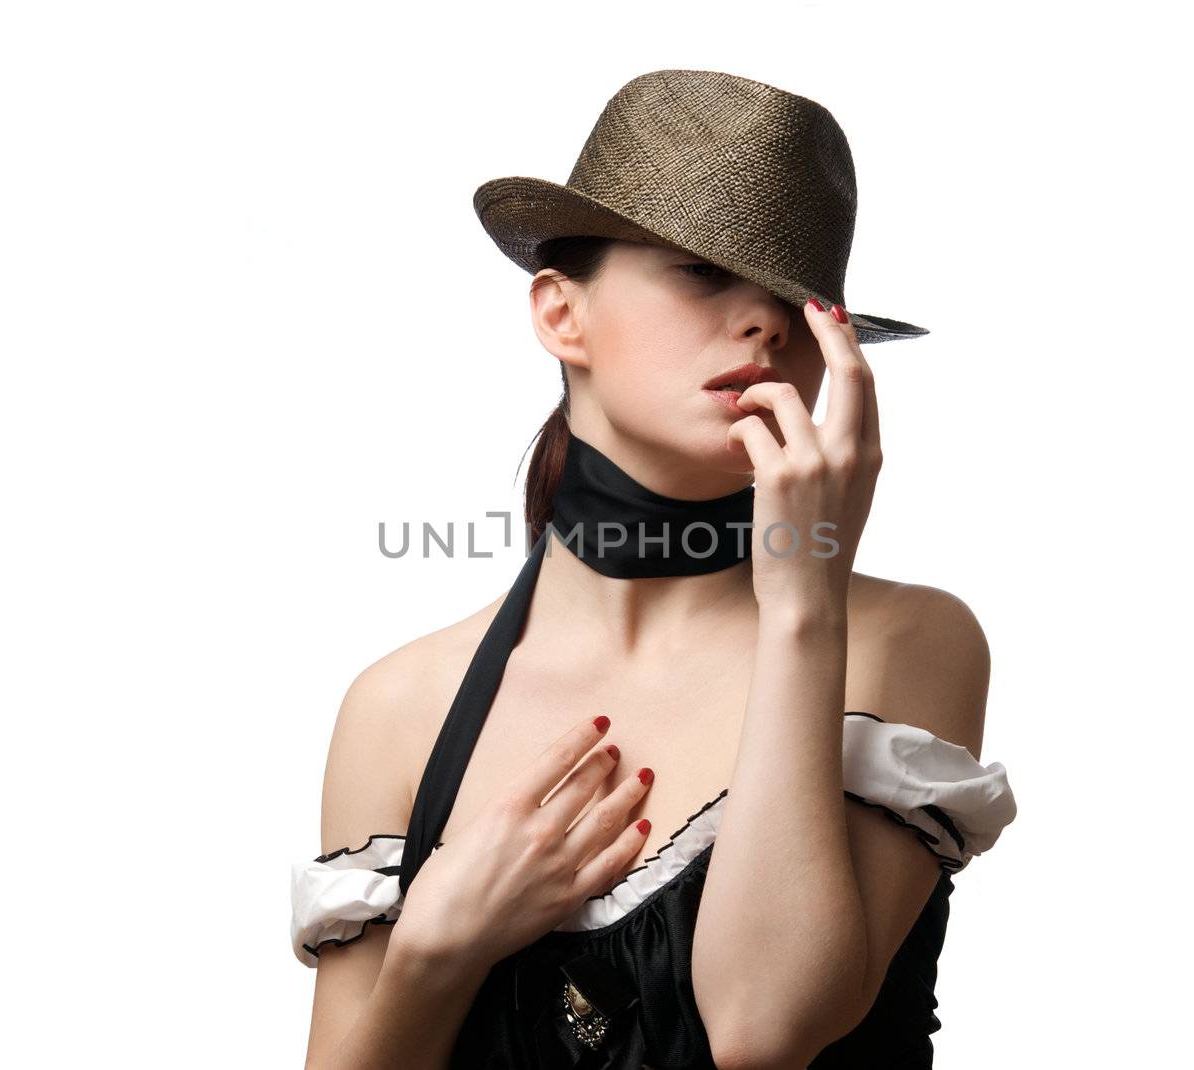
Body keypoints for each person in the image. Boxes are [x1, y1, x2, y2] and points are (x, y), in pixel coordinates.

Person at [291, 70, 1018, 1069]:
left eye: (793, 302)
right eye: (701, 273)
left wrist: (804, 590)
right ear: (559, 314)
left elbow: (762, 1024)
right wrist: (433, 953)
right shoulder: (401, 703)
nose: (761, 324)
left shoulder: (908, 638)